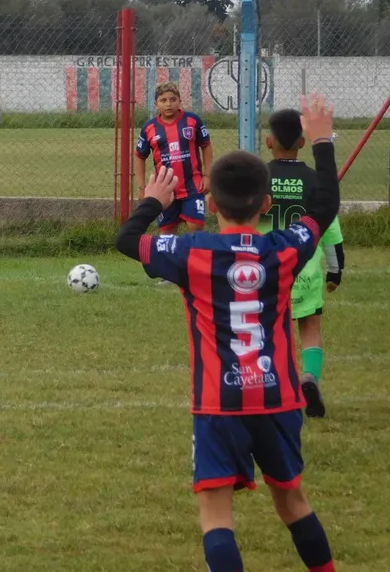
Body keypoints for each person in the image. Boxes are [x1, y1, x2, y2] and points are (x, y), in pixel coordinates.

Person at [116, 93, 340, 572]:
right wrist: (322, 141)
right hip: (278, 397)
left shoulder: (191, 252)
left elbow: (126, 240)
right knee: (293, 502)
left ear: (211, 202)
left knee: (217, 517)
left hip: (219, 403)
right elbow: (325, 205)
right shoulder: (284, 250)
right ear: (266, 203)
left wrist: (153, 201)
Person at [263, 109, 345, 419]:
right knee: (310, 328)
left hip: (266, 272)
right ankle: (309, 378)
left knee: (268, 332)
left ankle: (273, 388)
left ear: (268, 142)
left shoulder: (259, 178)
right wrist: (336, 269)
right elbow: (331, 230)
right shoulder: (314, 181)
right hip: (305, 271)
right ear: (302, 141)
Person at [135, 81, 214, 235]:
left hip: (193, 185)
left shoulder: (192, 121)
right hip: (165, 189)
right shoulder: (149, 128)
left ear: (180, 101)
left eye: (173, 99)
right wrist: (142, 187)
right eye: (163, 100)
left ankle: (196, 251)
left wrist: (207, 175)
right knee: (167, 233)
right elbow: (139, 156)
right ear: (156, 104)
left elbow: (206, 145)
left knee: (195, 227)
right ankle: (172, 252)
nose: (168, 104)